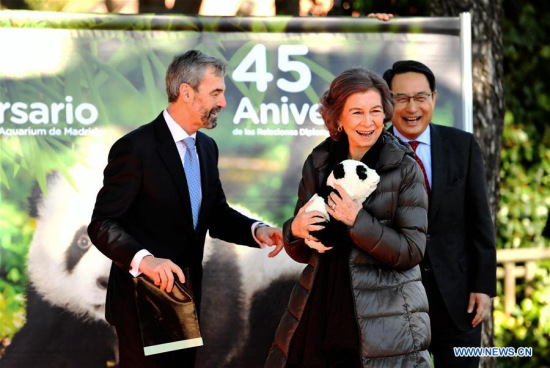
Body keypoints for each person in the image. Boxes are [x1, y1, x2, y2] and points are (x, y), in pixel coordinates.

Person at [88, 50, 284, 368]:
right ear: (186, 92)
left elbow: (215, 213)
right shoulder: (135, 148)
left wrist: (256, 230)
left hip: (186, 299)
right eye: (216, 93)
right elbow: (103, 224)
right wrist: (145, 260)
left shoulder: (206, 147)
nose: (222, 102)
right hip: (142, 302)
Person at [265, 68, 431, 368]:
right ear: (338, 117)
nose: (368, 122)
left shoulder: (405, 167)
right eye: (357, 112)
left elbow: (412, 250)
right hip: (319, 308)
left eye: (376, 111)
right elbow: (301, 250)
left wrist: (358, 222)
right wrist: (295, 231)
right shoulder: (319, 161)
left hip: (383, 320)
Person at [382, 60, 497, 368]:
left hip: (460, 301)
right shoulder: (373, 153)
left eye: (420, 97)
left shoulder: (462, 145)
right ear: (387, 102)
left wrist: (484, 287)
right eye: (401, 98)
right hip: (396, 303)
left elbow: (480, 223)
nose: (411, 107)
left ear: (433, 98)